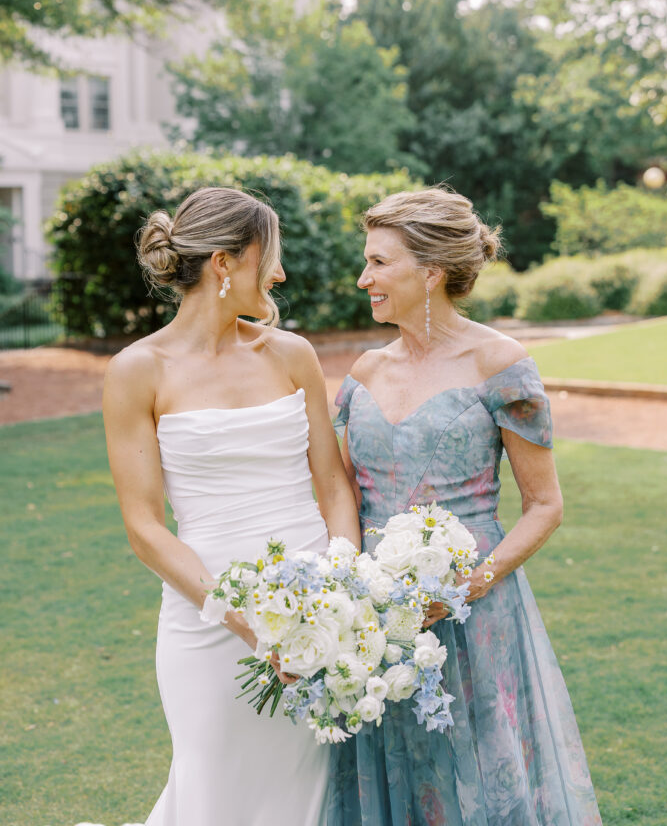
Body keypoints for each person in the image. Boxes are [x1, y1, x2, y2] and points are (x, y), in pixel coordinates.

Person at [328, 187, 602, 826]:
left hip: (477, 609)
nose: (364, 279)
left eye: (379, 262)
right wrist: (344, 589)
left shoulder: (500, 364)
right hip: (376, 613)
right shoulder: (364, 372)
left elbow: (544, 504)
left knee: (479, 765)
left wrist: (462, 588)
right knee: (394, 760)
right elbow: (344, 494)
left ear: (431, 272)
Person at [102, 186, 360, 826]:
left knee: (304, 793)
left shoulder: (293, 355)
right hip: (206, 620)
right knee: (212, 788)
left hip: (314, 615)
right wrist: (243, 621)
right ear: (224, 263)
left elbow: (333, 486)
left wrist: (340, 587)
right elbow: (143, 527)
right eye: (269, 257)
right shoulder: (138, 370)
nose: (280, 273)